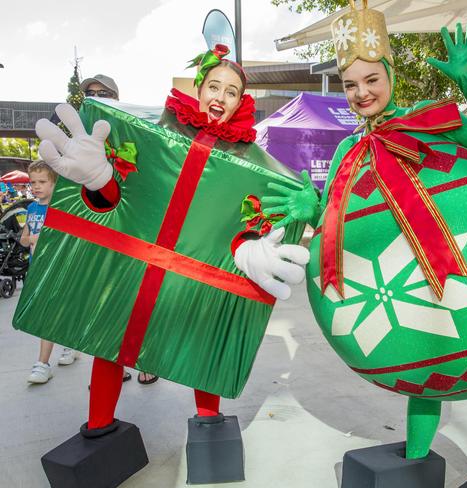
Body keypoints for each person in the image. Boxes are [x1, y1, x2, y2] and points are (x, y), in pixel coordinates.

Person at [262, 2, 467, 485]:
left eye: (371, 80)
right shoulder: (347, 150)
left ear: (391, 77)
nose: (362, 93)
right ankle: (416, 456)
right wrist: (310, 209)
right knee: (425, 372)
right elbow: (338, 220)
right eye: (351, 85)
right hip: (407, 291)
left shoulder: (430, 122)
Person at [31, 43, 307, 482]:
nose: (220, 96)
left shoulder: (254, 162)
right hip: (133, 271)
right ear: (198, 90)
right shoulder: (153, 133)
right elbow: (120, 196)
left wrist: (257, 244)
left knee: (205, 349)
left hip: (197, 281)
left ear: (242, 101)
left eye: (232, 91)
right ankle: (99, 427)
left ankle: (209, 425)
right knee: (111, 344)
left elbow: (254, 217)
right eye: (213, 86)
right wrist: (101, 182)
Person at [77, 73, 156, 385]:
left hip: (132, 230)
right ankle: (112, 363)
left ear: (116, 97)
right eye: (91, 92)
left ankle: (144, 360)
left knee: (137, 300)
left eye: (103, 92)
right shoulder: (80, 135)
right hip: (97, 230)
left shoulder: (130, 131)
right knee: (104, 301)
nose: (96, 96)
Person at [21, 161, 81, 383]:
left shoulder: (60, 207)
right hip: (39, 269)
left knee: (57, 311)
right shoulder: (31, 209)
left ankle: (48, 360)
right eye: (33, 182)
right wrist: (29, 239)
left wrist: (44, 238)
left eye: (42, 182)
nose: (36, 187)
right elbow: (24, 237)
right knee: (50, 312)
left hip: (59, 269)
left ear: (54, 183)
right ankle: (55, 355)